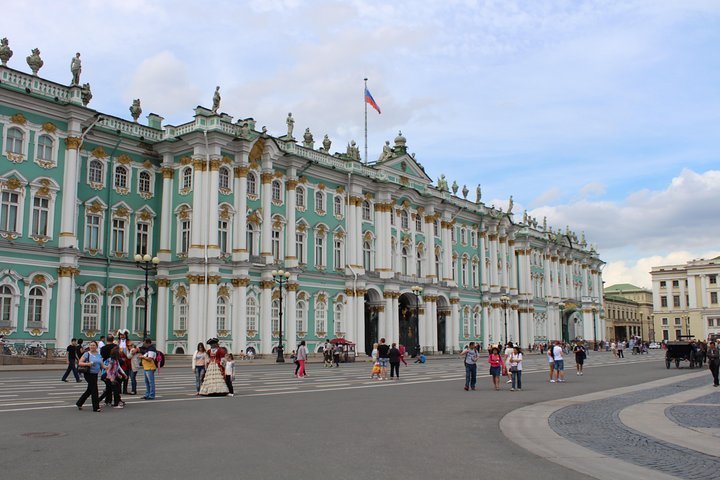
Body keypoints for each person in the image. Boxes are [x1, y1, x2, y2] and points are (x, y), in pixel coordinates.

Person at [76, 341, 103, 412]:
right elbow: (80, 362)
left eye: (94, 345)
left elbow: (102, 365)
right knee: (94, 390)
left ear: (96, 347)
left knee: (89, 390)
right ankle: (96, 407)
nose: (92, 346)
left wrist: (108, 367)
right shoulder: (86, 354)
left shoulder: (98, 355)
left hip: (95, 374)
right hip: (88, 374)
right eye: (91, 345)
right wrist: (88, 364)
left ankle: (79, 403)